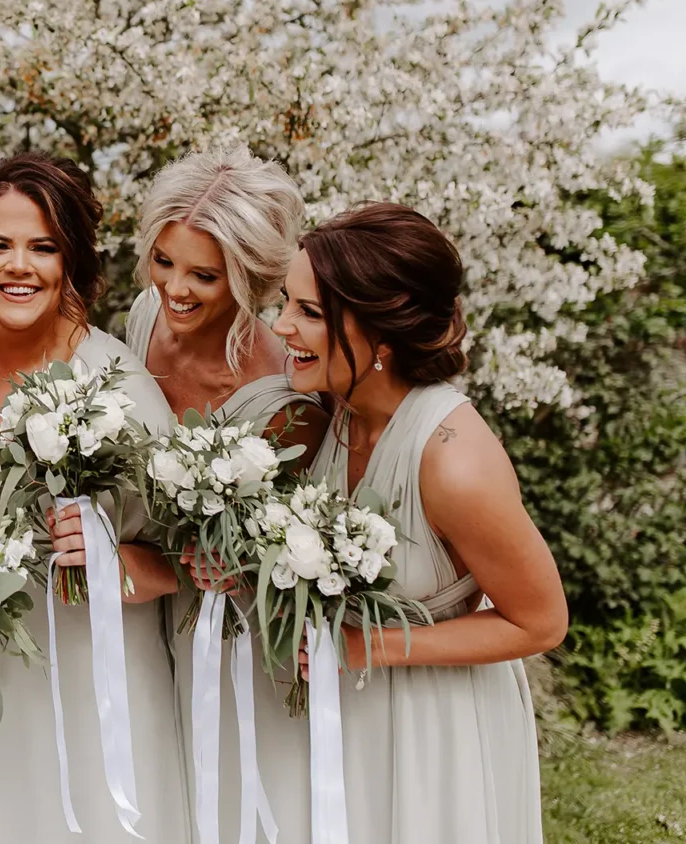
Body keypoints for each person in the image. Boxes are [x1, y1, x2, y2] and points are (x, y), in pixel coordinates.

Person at [277, 202, 565, 843]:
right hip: (341, 709)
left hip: (434, 726)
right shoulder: (334, 410)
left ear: (379, 337)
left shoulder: (453, 460)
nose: (282, 327)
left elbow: (541, 620)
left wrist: (368, 647)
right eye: (287, 303)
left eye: (308, 313)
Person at [0, 152, 190, 844]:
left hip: (86, 672)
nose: (19, 266)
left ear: (71, 261)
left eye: (43, 248)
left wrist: (124, 564)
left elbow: (192, 556)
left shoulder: (118, 384)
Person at [121, 147, 327, 838]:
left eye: (203, 275)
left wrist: (195, 566)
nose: (174, 288)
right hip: (140, 614)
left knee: (242, 796)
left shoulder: (284, 390)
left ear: (251, 279)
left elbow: (290, 546)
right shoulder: (143, 318)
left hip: (233, 633)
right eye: (163, 261)